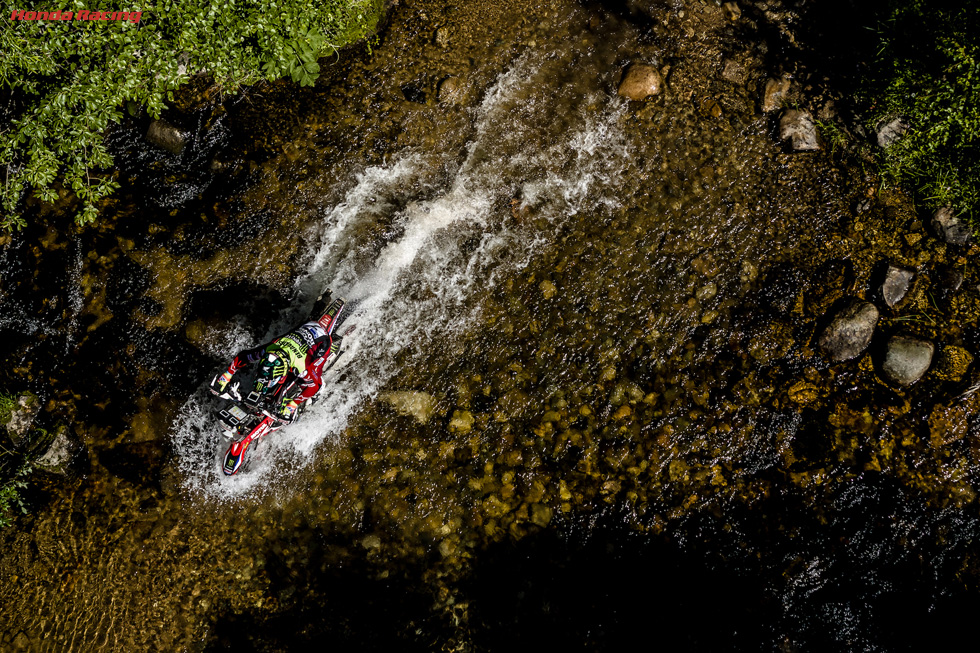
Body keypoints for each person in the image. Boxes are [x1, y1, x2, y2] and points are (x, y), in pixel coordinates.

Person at [210, 318, 341, 423]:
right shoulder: (269, 348)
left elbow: (314, 387)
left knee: (313, 381)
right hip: (303, 329)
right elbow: (244, 356)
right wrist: (227, 375)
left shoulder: (302, 367)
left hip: (321, 341)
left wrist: (293, 404)